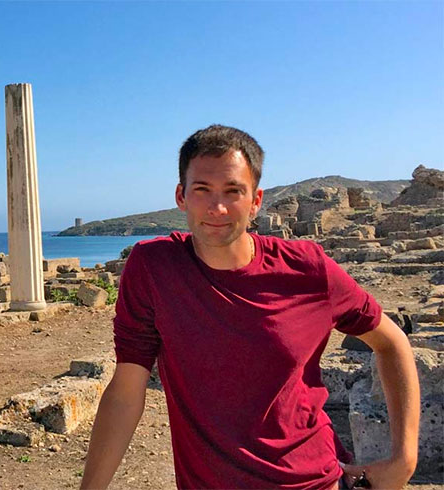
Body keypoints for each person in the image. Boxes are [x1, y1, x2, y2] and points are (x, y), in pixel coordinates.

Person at [80, 125, 420, 489]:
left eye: (233, 191)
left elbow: (391, 343)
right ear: (181, 196)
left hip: (312, 482)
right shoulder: (153, 268)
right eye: (202, 190)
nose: (217, 207)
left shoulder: (307, 268)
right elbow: (126, 391)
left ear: (256, 201)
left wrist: (404, 459)